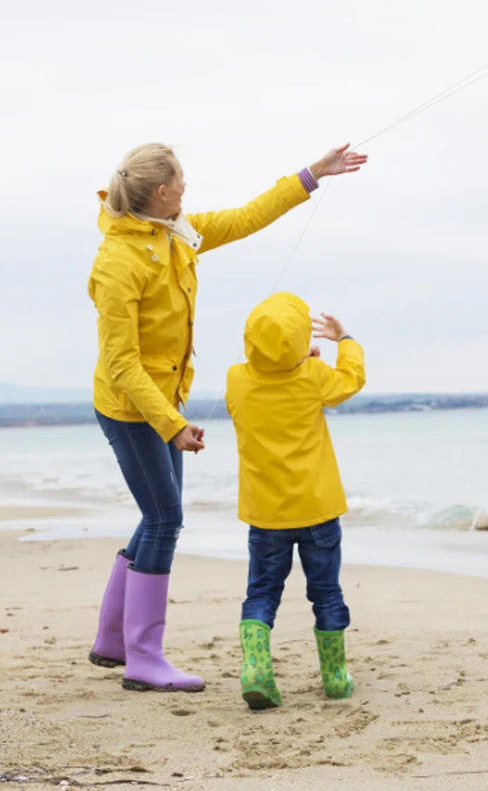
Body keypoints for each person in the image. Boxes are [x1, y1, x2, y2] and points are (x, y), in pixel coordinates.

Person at [88, 141, 367, 693]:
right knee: (165, 520)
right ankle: (142, 656)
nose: (187, 186)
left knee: (156, 513)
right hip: (131, 407)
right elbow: (121, 365)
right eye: (181, 180)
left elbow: (244, 219)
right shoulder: (118, 261)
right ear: (162, 191)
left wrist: (313, 174)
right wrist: (171, 424)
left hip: (164, 401)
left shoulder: (175, 232)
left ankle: (112, 639)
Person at [225, 293, 365, 709]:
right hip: (318, 509)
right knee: (326, 592)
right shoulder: (314, 376)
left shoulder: (236, 379)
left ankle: (255, 670)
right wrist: (346, 340)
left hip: (266, 515)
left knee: (262, 592)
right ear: (302, 341)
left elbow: (267, 373)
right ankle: (336, 677)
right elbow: (351, 380)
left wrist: (296, 358)